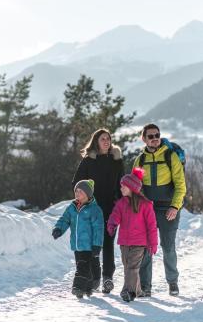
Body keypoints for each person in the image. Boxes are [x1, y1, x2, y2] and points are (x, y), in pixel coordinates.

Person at [133, 123, 186, 297]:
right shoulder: (140, 160)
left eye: (157, 135)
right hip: (148, 209)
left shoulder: (171, 157)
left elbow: (180, 185)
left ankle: (173, 283)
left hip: (168, 208)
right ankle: (145, 287)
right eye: (150, 136)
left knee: (168, 246)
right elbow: (135, 187)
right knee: (147, 247)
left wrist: (174, 206)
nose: (155, 139)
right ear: (144, 139)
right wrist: (138, 206)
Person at [72, 129, 124, 293]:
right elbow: (77, 183)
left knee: (108, 243)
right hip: (91, 209)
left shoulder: (116, 160)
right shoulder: (88, 161)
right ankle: (94, 277)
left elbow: (122, 185)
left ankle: (108, 277)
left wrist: (120, 203)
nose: (107, 141)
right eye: (103, 139)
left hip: (111, 208)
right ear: (96, 141)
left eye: (108, 138)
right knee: (92, 244)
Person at [107, 168, 158, 302]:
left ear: (131, 187)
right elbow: (115, 216)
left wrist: (153, 243)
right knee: (127, 268)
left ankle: (128, 292)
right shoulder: (121, 203)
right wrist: (112, 224)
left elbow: (152, 226)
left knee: (133, 268)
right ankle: (138, 291)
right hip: (124, 243)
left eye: (123, 186)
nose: (121, 188)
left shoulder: (146, 205)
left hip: (140, 244)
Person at [52, 179, 104, 299]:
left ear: (88, 194)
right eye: (76, 191)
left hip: (89, 245)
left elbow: (98, 229)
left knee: (83, 266)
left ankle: (78, 287)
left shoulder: (94, 210)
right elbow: (65, 219)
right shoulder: (72, 207)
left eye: (80, 191)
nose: (77, 193)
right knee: (83, 266)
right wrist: (58, 229)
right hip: (77, 245)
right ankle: (88, 286)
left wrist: (97, 245)